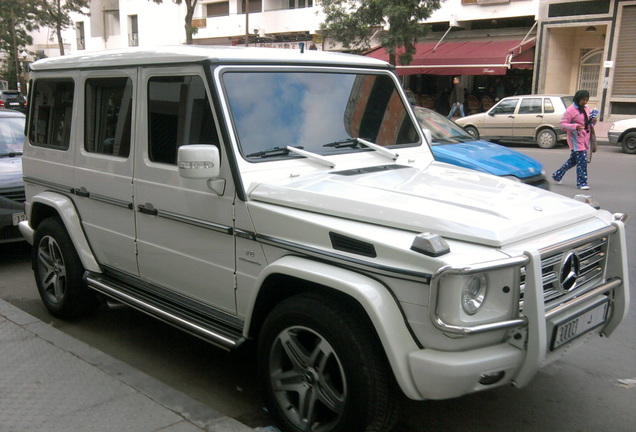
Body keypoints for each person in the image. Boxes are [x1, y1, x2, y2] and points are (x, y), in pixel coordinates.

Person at [552, 90, 597, 190]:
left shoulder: (586, 108)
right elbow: (562, 124)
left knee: (573, 161)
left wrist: (593, 121)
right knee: (582, 161)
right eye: (583, 100)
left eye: (586, 100)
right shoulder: (570, 110)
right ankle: (582, 183)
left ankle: (557, 175)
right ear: (578, 98)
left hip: (584, 138)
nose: (585, 102)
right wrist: (575, 126)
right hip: (576, 140)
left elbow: (588, 123)